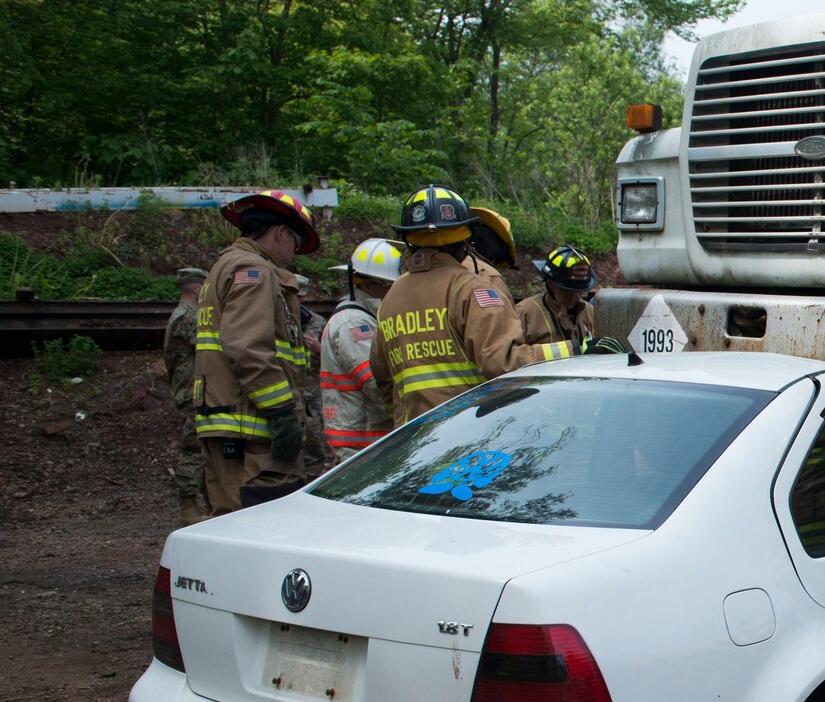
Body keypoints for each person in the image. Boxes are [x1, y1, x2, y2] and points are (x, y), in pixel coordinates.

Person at [369, 186, 581, 427]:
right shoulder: (472, 289)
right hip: (465, 434)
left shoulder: (391, 296)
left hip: (414, 443)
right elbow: (503, 363)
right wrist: (575, 349)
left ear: (409, 241)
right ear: (464, 243)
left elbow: (382, 375)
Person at [191, 190, 316, 513]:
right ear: (279, 233)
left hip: (228, 427)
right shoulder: (254, 270)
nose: (294, 253)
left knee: (228, 526)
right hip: (254, 435)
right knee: (265, 528)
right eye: (296, 243)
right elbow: (247, 346)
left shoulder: (222, 268)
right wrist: (282, 413)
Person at [319, 238, 400, 461]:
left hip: (363, 439)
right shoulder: (354, 323)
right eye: (390, 286)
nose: (393, 291)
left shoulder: (359, 316)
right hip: (362, 443)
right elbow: (375, 381)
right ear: (373, 284)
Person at [164, 266, 210, 525]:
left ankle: (205, 502)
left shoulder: (182, 314)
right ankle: (188, 506)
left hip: (192, 390)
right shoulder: (188, 317)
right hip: (192, 393)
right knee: (193, 449)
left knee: (201, 448)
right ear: (196, 288)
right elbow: (212, 345)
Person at [519, 245, 595, 350]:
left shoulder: (590, 312)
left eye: (578, 291)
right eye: (566, 290)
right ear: (550, 283)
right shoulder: (525, 313)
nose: (573, 296)